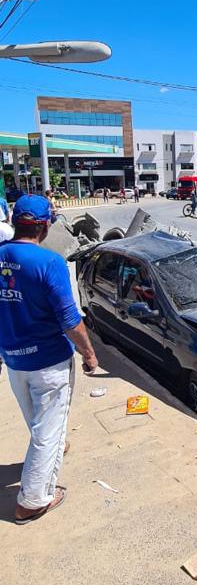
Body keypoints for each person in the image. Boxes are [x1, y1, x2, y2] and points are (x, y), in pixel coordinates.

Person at [0, 195, 98, 523]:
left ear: (15, 222)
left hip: (14, 361)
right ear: (43, 226)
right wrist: (89, 353)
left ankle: (55, 445)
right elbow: (70, 319)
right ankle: (33, 499)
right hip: (49, 362)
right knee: (47, 429)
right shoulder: (49, 262)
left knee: (38, 420)